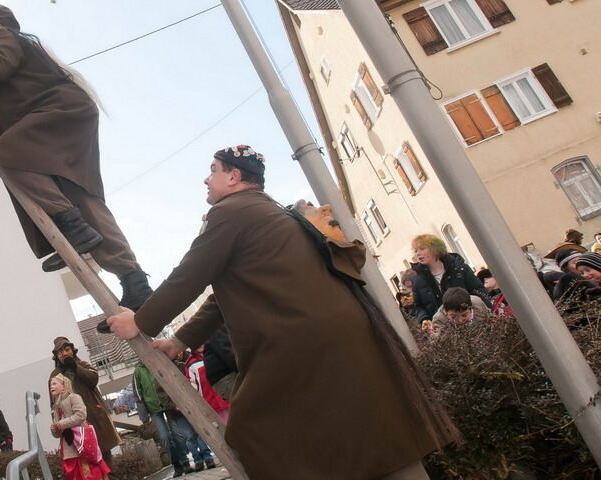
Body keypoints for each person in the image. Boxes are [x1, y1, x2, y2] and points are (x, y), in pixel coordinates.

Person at [107, 145, 457, 479]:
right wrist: (182, 339)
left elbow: (189, 276)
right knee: (373, 429)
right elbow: (223, 294)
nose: (206, 179)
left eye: (213, 170)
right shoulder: (270, 211)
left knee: (256, 428)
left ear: (234, 177)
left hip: (302, 345)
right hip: (340, 337)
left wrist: (139, 320)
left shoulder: (230, 212)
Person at [0, 2, 151, 322]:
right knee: (83, 196)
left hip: (61, 112)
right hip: (59, 119)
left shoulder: (0, 37)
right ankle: (134, 281)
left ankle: (71, 225)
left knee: (4, 155)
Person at [49, 337, 119, 462]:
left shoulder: (83, 365)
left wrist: (75, 367)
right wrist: (61, 427)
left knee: (104, 455)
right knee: (85, 461)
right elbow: (54, 405)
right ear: (56, 356)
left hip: (95, 415)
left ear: (72, 351)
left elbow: (93, 379)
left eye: (67, 349)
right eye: (60, 352)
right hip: (73, 424)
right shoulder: (55, 376)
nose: (64, 354)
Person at [410, 234, 490, 323]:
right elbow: (419, 306)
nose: (418, 253)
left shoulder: (460, 269)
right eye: (416, 250)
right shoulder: (417, 280)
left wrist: (484, 314)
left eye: (422, 248)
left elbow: (479, 291)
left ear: (435, 248)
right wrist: (424, 319)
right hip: (444, 328)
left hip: (471, 321)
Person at [49, 374, 111, 480]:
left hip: (81, 445)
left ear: (64, 385)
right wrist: (54, 429)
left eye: (54, 384)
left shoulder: (73, 397)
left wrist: (61, 424)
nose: (51, 387)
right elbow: (58, 431)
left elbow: (81, 415)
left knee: (89, 474)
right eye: (50, 385)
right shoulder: (55, 406)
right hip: (68, 449)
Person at [183, 346, 229, 424]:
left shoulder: (216, 352)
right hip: (212, 407)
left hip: (228, 400)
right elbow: (193, 390)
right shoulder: (191, 365)